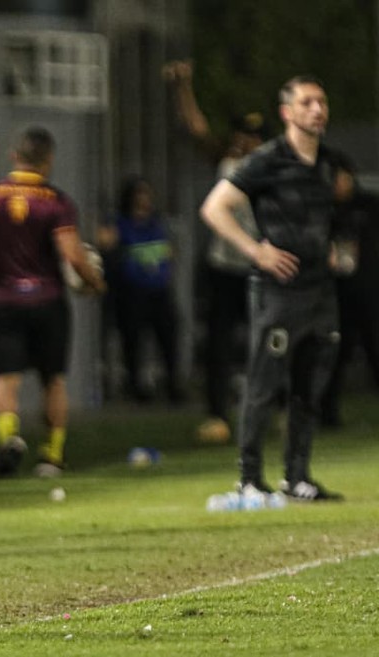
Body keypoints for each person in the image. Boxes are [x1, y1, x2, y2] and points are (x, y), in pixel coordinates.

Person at [201, 75, 343, 502]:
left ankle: (297, 477)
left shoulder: (326, 162)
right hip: (278, 292)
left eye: (321, 101)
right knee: (263, 384)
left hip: (320, 291)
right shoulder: (268, 159)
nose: (317, 109)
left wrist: (330, 249)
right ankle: (249, 478)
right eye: (307, 102)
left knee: (309, 386)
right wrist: (255, 250)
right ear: (288, 113)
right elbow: (214, 207)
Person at [0, 126, 104, 478]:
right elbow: (72, 254)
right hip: (48, 299)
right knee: (53, 379)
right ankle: (51, 456)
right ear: (48, 160)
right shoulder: (56, 201)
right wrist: (94, 282)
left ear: (14, 156)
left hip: (4, 299)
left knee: (5, 378)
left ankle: (9, 438)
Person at [164, 59, 266, 441]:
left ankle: (275, 408)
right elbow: (198, 129)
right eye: (241, 135)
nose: (245, 142)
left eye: (252, 137)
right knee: (219, 345)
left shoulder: (273, 168)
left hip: (261, 265)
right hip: (224, 266)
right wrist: (183, 87)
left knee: (269, 341)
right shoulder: (227, 163)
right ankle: (217, 415)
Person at [319, 157, 379, 427]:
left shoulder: (370, 204)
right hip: (337, 296)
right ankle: (328, 416)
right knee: (335, 356)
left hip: (370, 292)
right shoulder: (325, 211)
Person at [105, 176, 182, 404]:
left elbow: (168, 251)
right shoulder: (121, 224)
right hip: (132, 293)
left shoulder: (156, 224)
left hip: (159, 290)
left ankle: (172, 384)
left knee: (168, 337)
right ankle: (136, 386)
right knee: (133, 340)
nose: (144, 200)